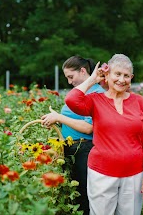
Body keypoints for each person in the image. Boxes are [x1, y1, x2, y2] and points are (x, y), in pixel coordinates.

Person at [64, 54, 143, 215]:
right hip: (101, 173)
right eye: (117, 74)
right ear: (107, 75)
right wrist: (93, 79)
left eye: (126, 75)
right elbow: (71, 100)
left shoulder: (139, 101)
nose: (122, 79)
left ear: (131, 78)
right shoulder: (95, 100)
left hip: (134, 175)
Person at [41, 55, 105, 215]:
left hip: (84, 150)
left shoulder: (96, 93)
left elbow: (88, 128)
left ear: (83, 71)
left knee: (84, 197)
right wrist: (56, 121)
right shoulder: (81, 92)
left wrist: (59, 117)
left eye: (71, 76)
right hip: (73, 149)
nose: (69, 82)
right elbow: (73, 120)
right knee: (74, 198)